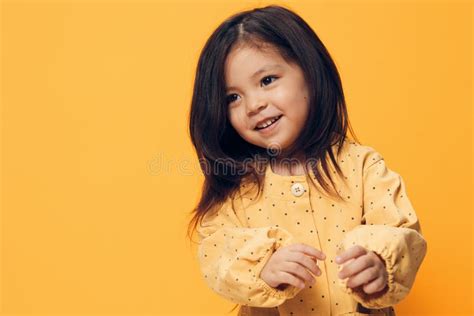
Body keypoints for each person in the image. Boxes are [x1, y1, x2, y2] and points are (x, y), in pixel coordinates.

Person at [186, 4, 427, 316]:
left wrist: (380, 263)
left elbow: (400, 230)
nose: (254, 105)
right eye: (232, 97)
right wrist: (261, 266)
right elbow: (215, 252)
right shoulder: (236, 186)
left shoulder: (362, 166)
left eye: (267, 80)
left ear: (311, 73)